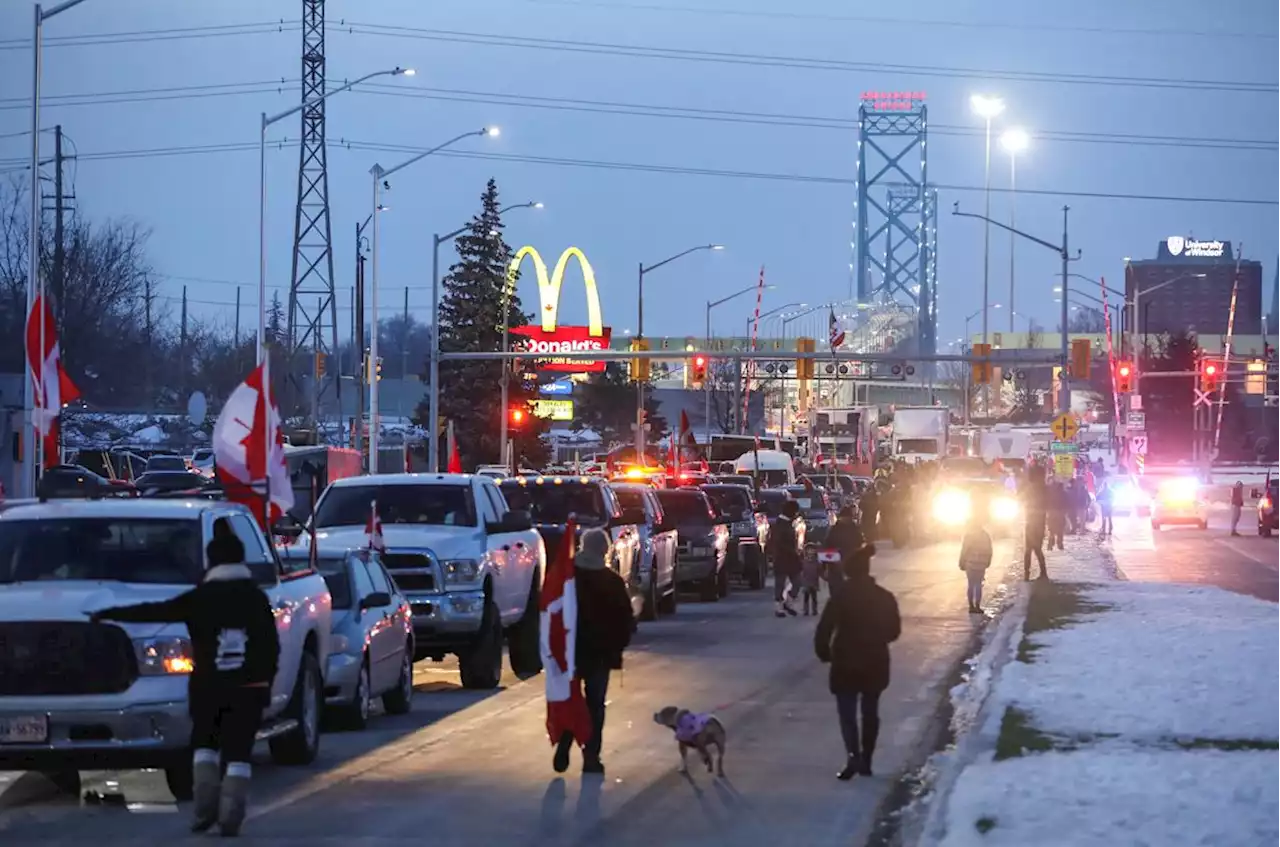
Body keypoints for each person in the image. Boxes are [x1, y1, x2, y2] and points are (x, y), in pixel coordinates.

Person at [89, 518, 279, 836]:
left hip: (208, 687)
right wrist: (266, 681)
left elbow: (154, 611)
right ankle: (232, 813)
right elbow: (271, 647)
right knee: (239, 751)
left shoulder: (199, 598)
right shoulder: (256, 599)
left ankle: (204, 806)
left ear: (211, 561)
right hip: (249, 687)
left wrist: (109, 614)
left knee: (204, 744)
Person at [814, 541, 900, 780]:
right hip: (875, 661)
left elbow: (824, 629)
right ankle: (867, 760)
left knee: (847, 714)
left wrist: (824, 653)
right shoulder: (885, 597)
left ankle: (853, 756)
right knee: (870, 712)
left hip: (845, 663)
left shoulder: (840, 597)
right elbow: (894, 631)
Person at [555, 527, 634, 775]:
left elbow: (552, 611)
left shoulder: (567, 579)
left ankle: (565, 743)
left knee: (571, 701)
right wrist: (618, 645)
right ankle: (591, 757)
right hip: (599, 654)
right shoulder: (612, 581)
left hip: (570, 652)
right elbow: (625, 621)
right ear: (604, 550)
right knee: (595, 706)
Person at [767, 500, 803, 617]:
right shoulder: (780, 524)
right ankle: (779, 607)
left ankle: (788, 601)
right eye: (796, 512)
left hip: (791, 558)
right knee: (780, 583)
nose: (797, 514)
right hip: (782, 558)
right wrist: (793, 552)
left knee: (797, 581)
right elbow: (778, 542)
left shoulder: (788, 523)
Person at [958, 511, 994, 614]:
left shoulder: (969, 535)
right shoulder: (985, 536)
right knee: (978, 584)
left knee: (971, 584)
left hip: (970, 563)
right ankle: (977, 606)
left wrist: (961, 561)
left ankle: (971, 606)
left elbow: (964, 549)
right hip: (981, 564)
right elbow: (989, 550)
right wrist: (988, 561)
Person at [1022, 464, 1049, 580]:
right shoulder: (1044, 489)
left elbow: (1022, 499)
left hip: (1032, 523)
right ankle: (1042, 572)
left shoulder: (1032, 489)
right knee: (1036, 549)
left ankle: (1027, 574)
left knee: (1030, 549)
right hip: (1038, 523)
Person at [1046, 479, 1067, 551]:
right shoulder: (1063, 493)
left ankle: (1050, 544)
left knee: (1052, 530)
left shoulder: (1050, 493)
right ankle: (1059, 544)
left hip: (1052, 513)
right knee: (1060, 530)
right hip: (1060, 513)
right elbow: (1067, 503)